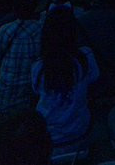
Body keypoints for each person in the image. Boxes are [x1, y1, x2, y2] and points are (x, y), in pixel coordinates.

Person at [30, 8, 99, 148]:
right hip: (80, 129)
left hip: (48, 133)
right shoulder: (86, 56)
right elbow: (94, 78)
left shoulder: (39, 66)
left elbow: (36, 90)